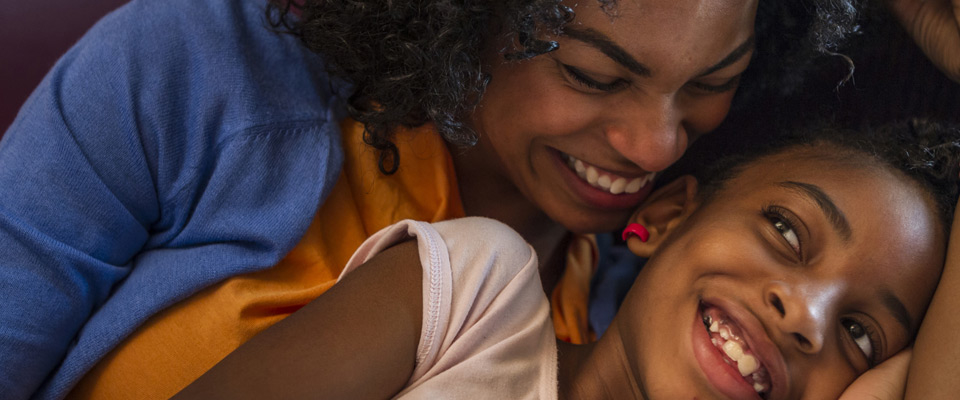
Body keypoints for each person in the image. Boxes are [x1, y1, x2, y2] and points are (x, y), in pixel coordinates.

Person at [0, 0, 939, 398]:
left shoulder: (653, 320)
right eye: (592, 72)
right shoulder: (197, 72)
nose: (656, 143)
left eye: (709, 83)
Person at [172, 119, 959, 399]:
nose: (808, 318)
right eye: (786, 231)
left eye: (861, 336)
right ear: (662, 218)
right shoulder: (478, 295)